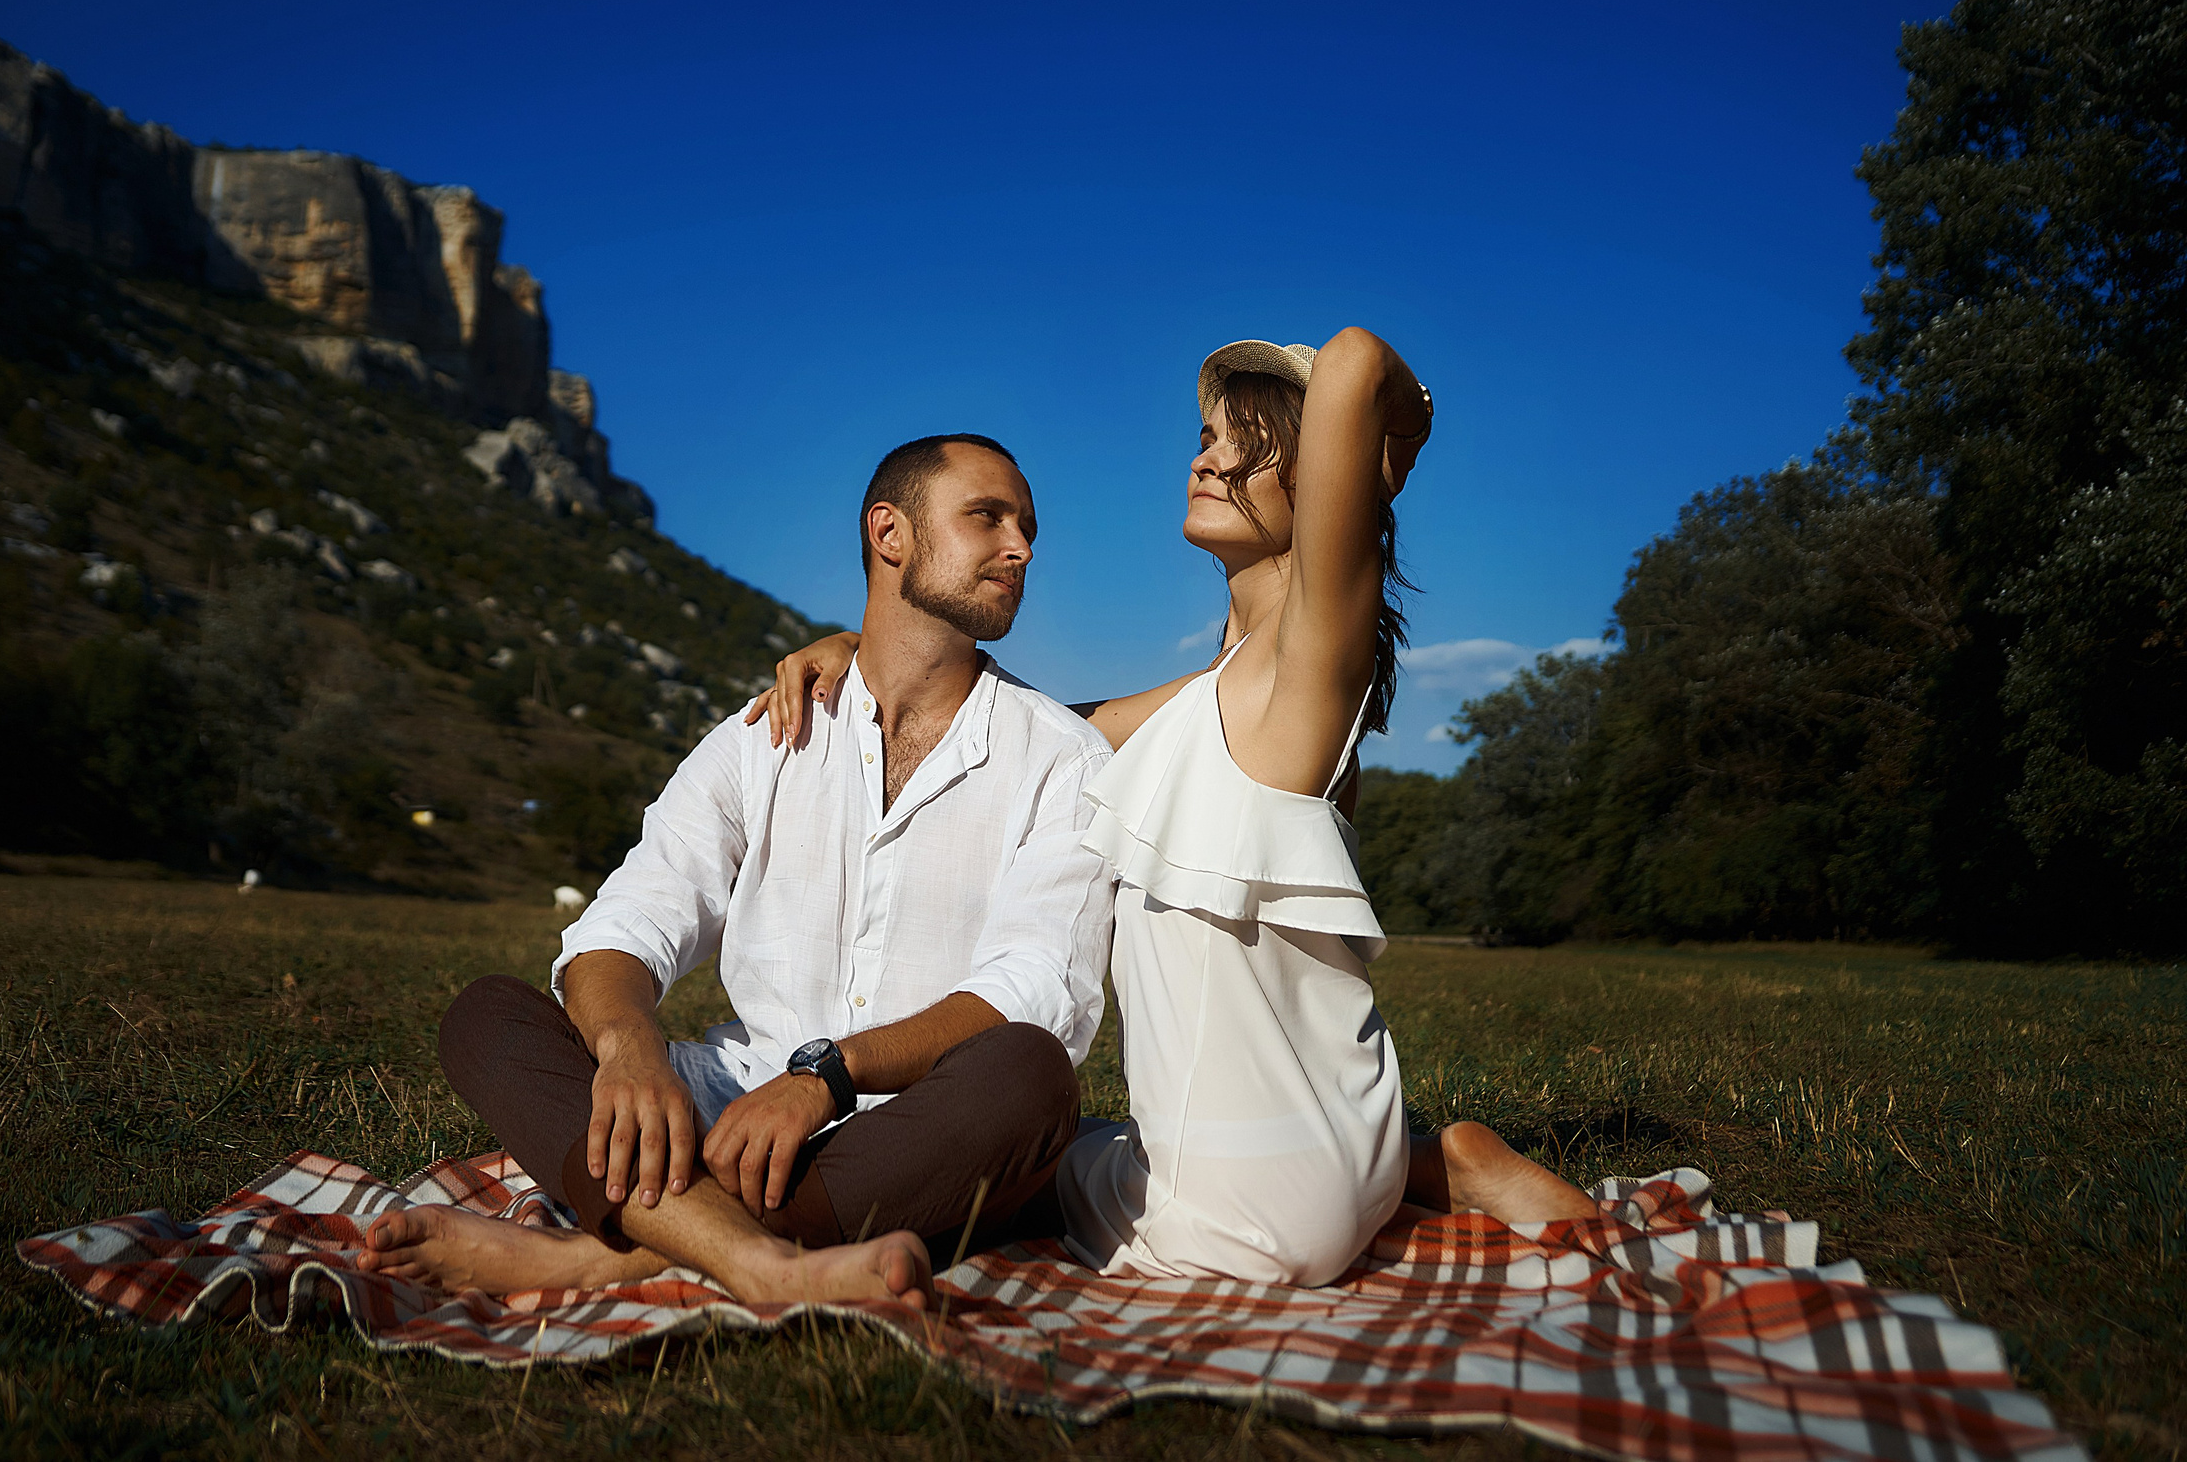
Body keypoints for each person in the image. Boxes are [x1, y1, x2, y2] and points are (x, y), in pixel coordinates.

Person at [751, 333, 1596, 1287]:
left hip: (1248, 1210)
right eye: (1206, 437)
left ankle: (738, 1240)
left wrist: (1386, 453)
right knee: (1076, 1137)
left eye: (1251, 445)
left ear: (1322, 473)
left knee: (989, 1164)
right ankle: (1430, 1165)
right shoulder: (1213, 696)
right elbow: (1022, 726)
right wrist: (869, 654)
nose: (1208, 459)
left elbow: (1358, 359)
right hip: (1339, 1135)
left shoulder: (1307, 667)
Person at [357, 434, 1114, 1309]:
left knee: (1030, 1072)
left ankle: (603, 1258)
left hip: (912, 1130)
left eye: (1028, 528)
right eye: (988, 517)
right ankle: (761, 1258)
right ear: (889, 533)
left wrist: (829, 1076)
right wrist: (630, 1048)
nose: (1021, 548)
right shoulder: (766, 737)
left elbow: (1033, 989)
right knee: (489, 1012)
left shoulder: (1062, 759)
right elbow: (629, 919)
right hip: (730, 1109)